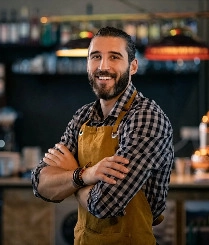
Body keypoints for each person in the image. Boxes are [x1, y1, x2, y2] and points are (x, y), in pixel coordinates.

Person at [31, 26, 174, 245]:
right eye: (95, 57)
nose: (103, 66)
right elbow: (40, 183)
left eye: (114, 57)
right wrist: (84, 175)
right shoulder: (83, 116)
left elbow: (105, 204)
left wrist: (69, 176)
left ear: (133, 66)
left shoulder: (146, 117)